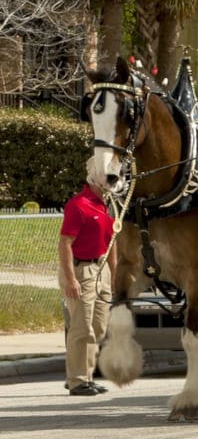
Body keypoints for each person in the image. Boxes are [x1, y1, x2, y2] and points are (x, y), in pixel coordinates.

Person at [58, 159, 116, 396]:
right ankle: (77, 379)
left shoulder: (108, 206)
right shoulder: (78, 205)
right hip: (81, 270)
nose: (112, 181)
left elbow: (113, 241)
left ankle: (86, 375)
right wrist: (71, 279)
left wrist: (114, 274)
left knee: (99, 327)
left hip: (101, 270)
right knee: (82, 327)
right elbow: (65, 243)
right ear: (93, 176)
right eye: (108, 176)